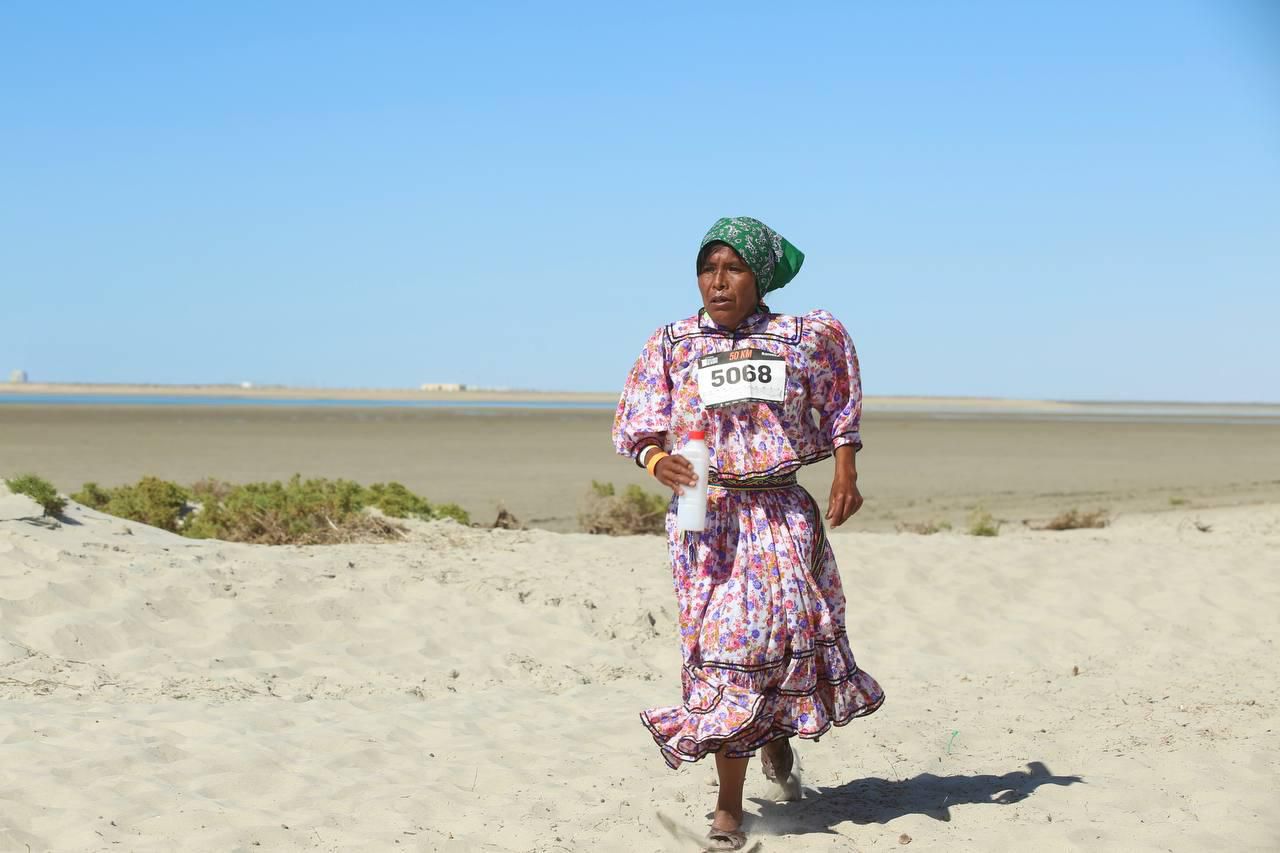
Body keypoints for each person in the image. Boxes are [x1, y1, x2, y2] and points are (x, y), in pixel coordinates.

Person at [612, 216, 885, 850]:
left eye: (733, 269)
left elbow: (840, 398)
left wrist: (846, 468)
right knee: (724, 657)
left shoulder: (799, 338)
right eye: (708, 269)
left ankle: (750, 775)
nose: (718, 281)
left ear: (758, 277)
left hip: (782, 514)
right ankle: (734, 795)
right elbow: (638, 427)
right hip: (704, 521)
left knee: (769, 645)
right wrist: (659, 462)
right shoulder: (672, 344)